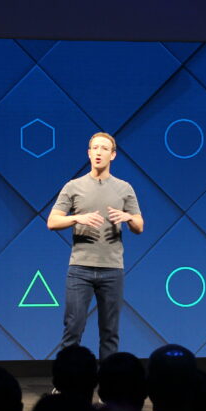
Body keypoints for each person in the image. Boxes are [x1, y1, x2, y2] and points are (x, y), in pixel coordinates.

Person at [47, 132, 143, 360]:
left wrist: (128, 217)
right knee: (73, 329)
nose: (99, 152)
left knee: (110, 333)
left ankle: (110, 386)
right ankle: (66, 383)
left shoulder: (124, 188)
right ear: (89, 153)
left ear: (113, 155)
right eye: (95, 148)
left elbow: (139, 226)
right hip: (80, 269)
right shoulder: (73, 186)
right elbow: (52, 221)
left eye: (104, 149)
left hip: (112, 270)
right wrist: (76, 218)